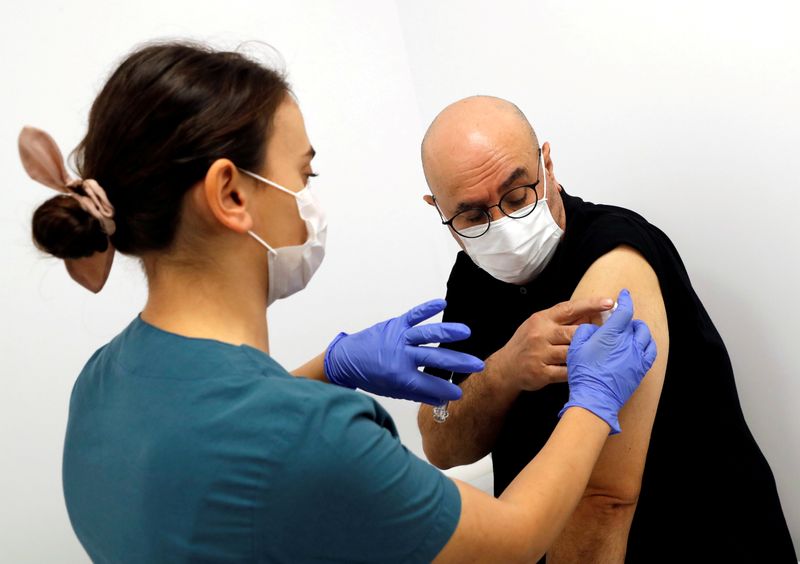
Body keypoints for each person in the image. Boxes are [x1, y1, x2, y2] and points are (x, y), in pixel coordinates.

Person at [19, 42, 656, 563]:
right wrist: (594, 398)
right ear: (232, 195)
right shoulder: (313, 437)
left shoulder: (104, 381)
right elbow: (514, 539)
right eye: (303, 176)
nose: (310, 201)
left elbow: (210, 442)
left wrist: (329, 366)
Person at [417, 95, 797, 563]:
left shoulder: (613, 258)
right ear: (439, 211)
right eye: (473, 216)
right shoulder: (472, 278)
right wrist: (503, 371)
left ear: (548, 165)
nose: (504, 226)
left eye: (517, 196)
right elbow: (442, 444)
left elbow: (604, 501)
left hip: (699, 539)